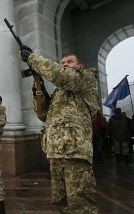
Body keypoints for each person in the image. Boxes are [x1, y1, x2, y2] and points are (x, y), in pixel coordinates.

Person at [19, 48, 99, 213]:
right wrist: (38, 92)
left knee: (80, 204)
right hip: (56, 151)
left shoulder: (86, 79)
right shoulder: (59, 93)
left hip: (75, 152)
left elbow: (62, 76)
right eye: (63, 63)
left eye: (69, 62)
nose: (65, 65)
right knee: (61, 202)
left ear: (80, 66)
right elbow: (44, 115)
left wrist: (33, 58)